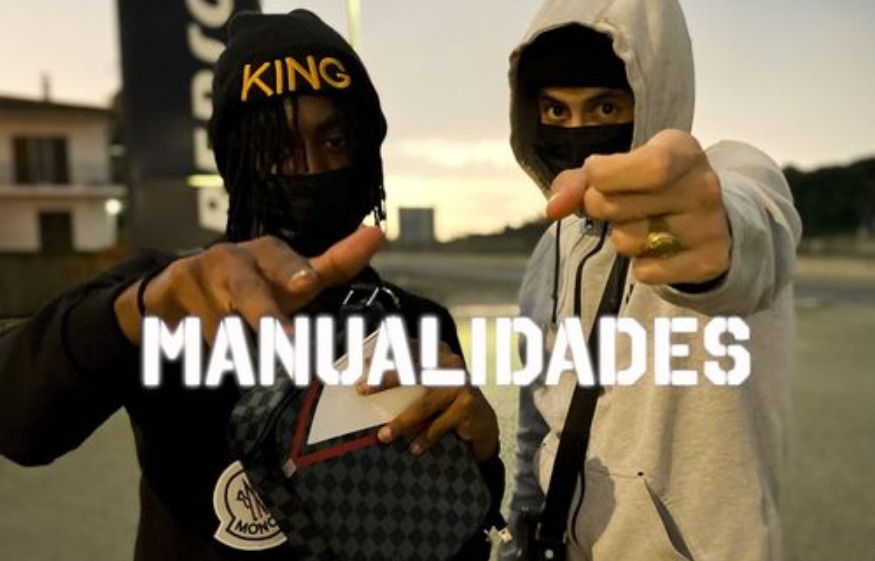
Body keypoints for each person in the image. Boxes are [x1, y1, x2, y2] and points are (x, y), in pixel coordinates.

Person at [0, 10, 499, 560]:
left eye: (336, 141)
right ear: (234, 160)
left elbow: (449, 535)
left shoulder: (413, 322)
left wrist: (479, 451)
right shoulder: (169, 299)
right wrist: (138, 311)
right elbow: (19, 421)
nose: (310, 169)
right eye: (276, 148)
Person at [501, 0, 802, 560]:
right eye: (556, 110)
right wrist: (519, 538)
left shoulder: (729, 176)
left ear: (652, 96)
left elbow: (755, 229)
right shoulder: (552, 245)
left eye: (605, 106)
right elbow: (535, 421)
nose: (578, 132)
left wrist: (697, 243)